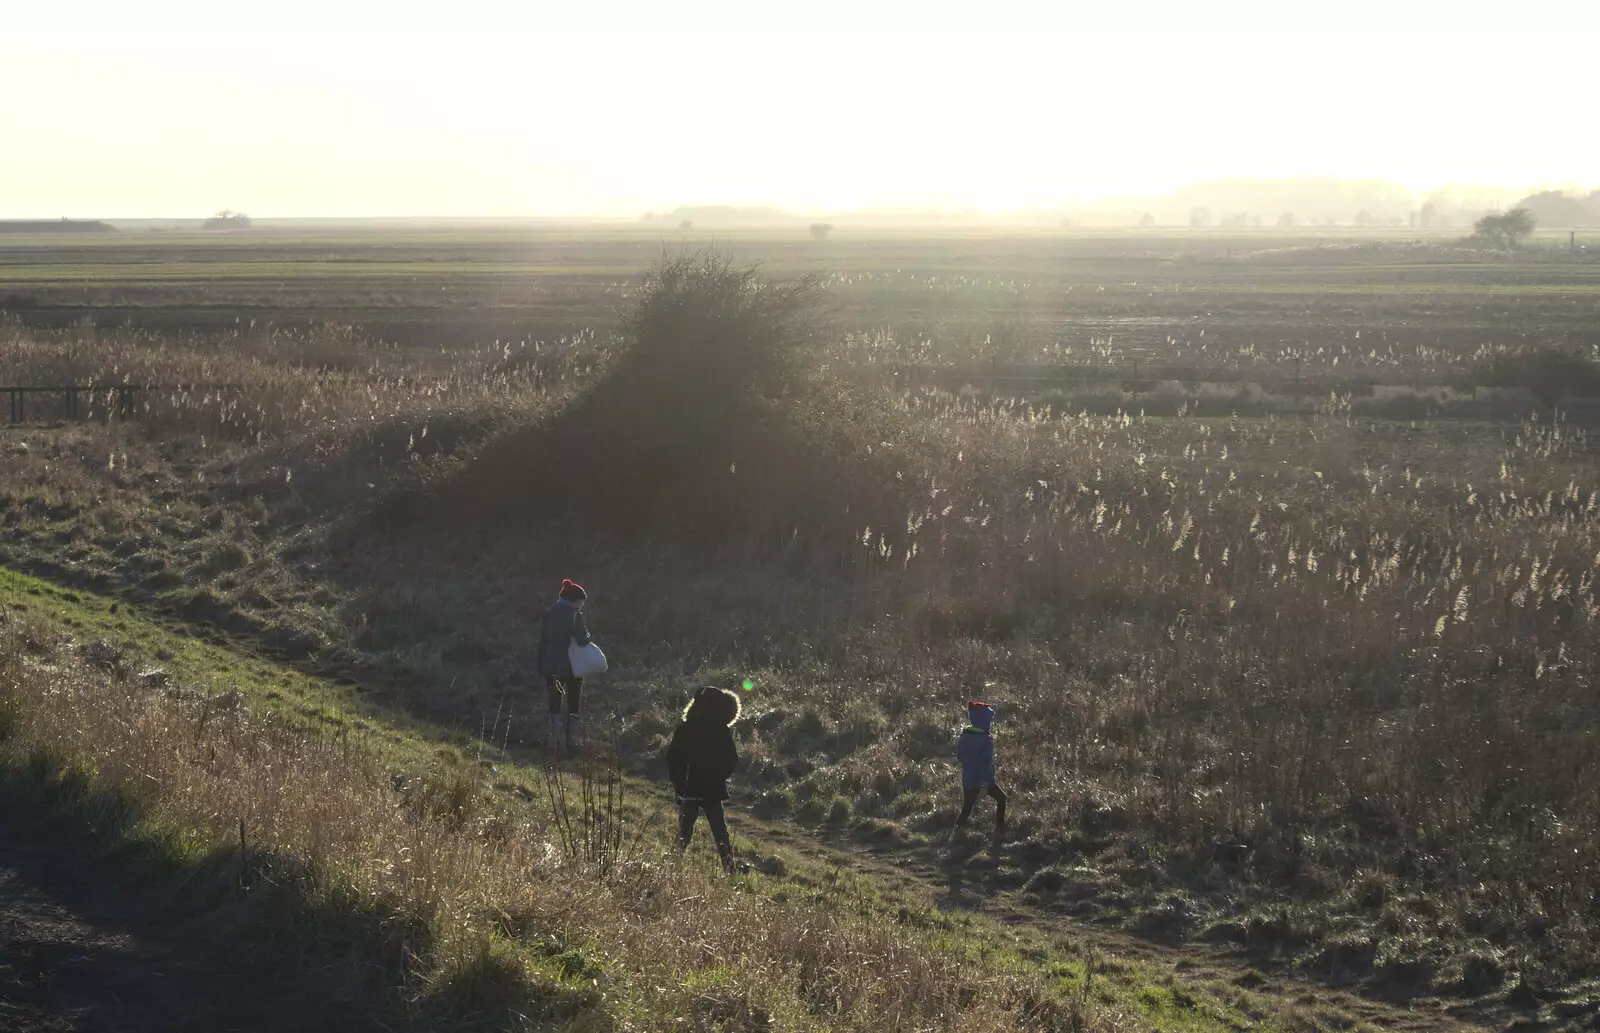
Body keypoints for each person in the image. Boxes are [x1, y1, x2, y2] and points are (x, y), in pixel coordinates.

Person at [666, 686, 741, 873]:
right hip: (712, 790)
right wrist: (719, 777)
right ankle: (730, 869)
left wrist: (678, 784)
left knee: (684, 831)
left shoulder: (685, 728)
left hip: (688, 788)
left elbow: (673, 758)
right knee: (720, 833)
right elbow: (732, 759)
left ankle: (672, 867)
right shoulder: (721, 730)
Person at [537, 579, 591, 750]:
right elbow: (582, 641)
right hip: (573, 666)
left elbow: (542, 643)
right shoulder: (576, 616)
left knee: (554, 701)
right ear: (575, 601)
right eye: (581, 602)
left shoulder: (548, 614)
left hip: (552, 665)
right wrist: (588, 636)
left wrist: (541, 665)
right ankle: (571, 741)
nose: (582, 606)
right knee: (573, 701)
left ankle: (553, 740)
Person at [954, 700, 1008, 837]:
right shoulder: (986, 740)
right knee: (1002, 799)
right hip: (984, 780)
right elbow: (985, 763)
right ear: (984, 722)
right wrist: (984, 784)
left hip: (968, 779)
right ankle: (1000, 831)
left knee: (967, 808)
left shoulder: (964, 736)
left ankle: (956, 834)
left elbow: (960, 756)